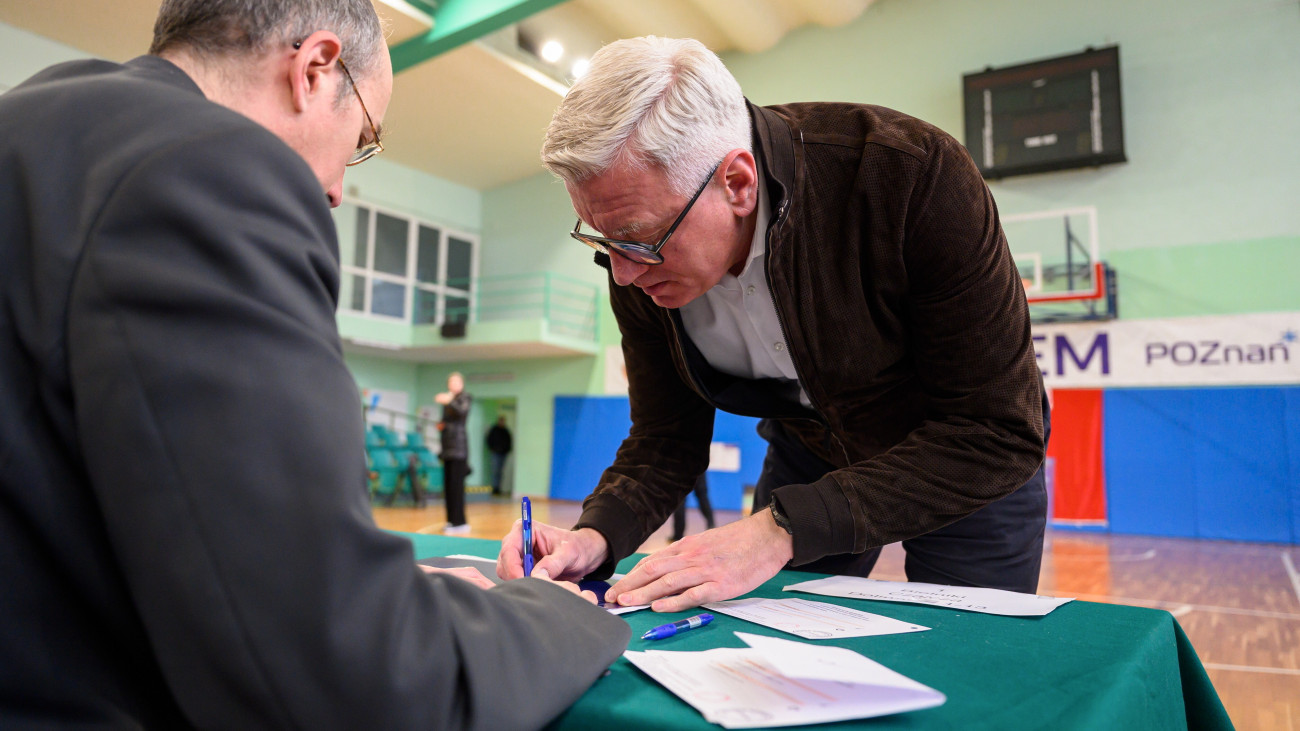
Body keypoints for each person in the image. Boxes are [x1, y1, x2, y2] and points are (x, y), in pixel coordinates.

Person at [0, 1, 629, 727]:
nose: (334, 190)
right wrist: (556, 615)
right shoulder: (209, 169)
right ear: (314, 69)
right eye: (361, 139)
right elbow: (347, 675)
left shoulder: (31, 126)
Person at [498, 36, 1049, 613]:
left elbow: (997, 429)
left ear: (737, 183)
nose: (625, 273)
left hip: (963, 459)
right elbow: (666, 437)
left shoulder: (910, 177)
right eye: (602, 240)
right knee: (765, 643)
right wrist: (595, 536)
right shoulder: (634, 261)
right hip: (808, 456)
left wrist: (780, 529)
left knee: (971, 658)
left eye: (641, 239)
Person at [436, 372, 472, 533]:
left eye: (456, 381)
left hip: (459, 450)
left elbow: (461, 413)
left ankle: (460, 522)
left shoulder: (465, 397)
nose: (453, 384)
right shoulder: (448, 400)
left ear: (462, 383)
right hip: (447, 449)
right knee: (449, 487)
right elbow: (449, 420)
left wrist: (449, 400)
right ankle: (451, 520)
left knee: (457, 487)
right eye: (450, 381)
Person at [670, 474, 715, 542]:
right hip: (698, 468)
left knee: (680, 499)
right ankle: (712, 527)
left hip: (681, 470)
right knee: (702, 497)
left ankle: (678, 535)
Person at [485, 416, 513, 496]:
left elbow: (509, 441)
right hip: (495, 453)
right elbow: (489, 439)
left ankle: (498, 488)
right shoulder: (494, 430)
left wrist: (507, 450)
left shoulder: (506, 431)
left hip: (503, 454)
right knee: (495, 471)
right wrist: (492, 448)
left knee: (500, 472)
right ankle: (494, 488)